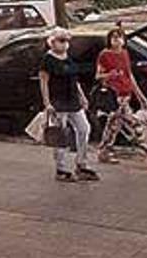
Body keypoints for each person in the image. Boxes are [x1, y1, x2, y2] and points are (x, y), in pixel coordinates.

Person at [96, 28, 147, 170]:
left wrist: (141, 97)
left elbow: (130, 76)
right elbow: (98, 76)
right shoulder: (104, 55)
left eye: (120, 37)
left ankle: (104, 150)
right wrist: (110, 75)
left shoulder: (124, 53)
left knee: (113, 126)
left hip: (126, 95)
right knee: (135, 126)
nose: (117, 40)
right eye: (114, 37)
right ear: (109, 40)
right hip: (115, 97)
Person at [38, 27, 99, 182]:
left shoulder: (68, 58)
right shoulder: (48, 59)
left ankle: (81, 163)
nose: (65, 44)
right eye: (61, 40)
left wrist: (82, 96)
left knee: (84, 129)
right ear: (52, 42)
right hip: (58, 101)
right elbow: (43, 81)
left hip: (73, 100)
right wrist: (47, 102)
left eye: (66, 41)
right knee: (61, 135)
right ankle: (61, 168)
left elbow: (74, 79)